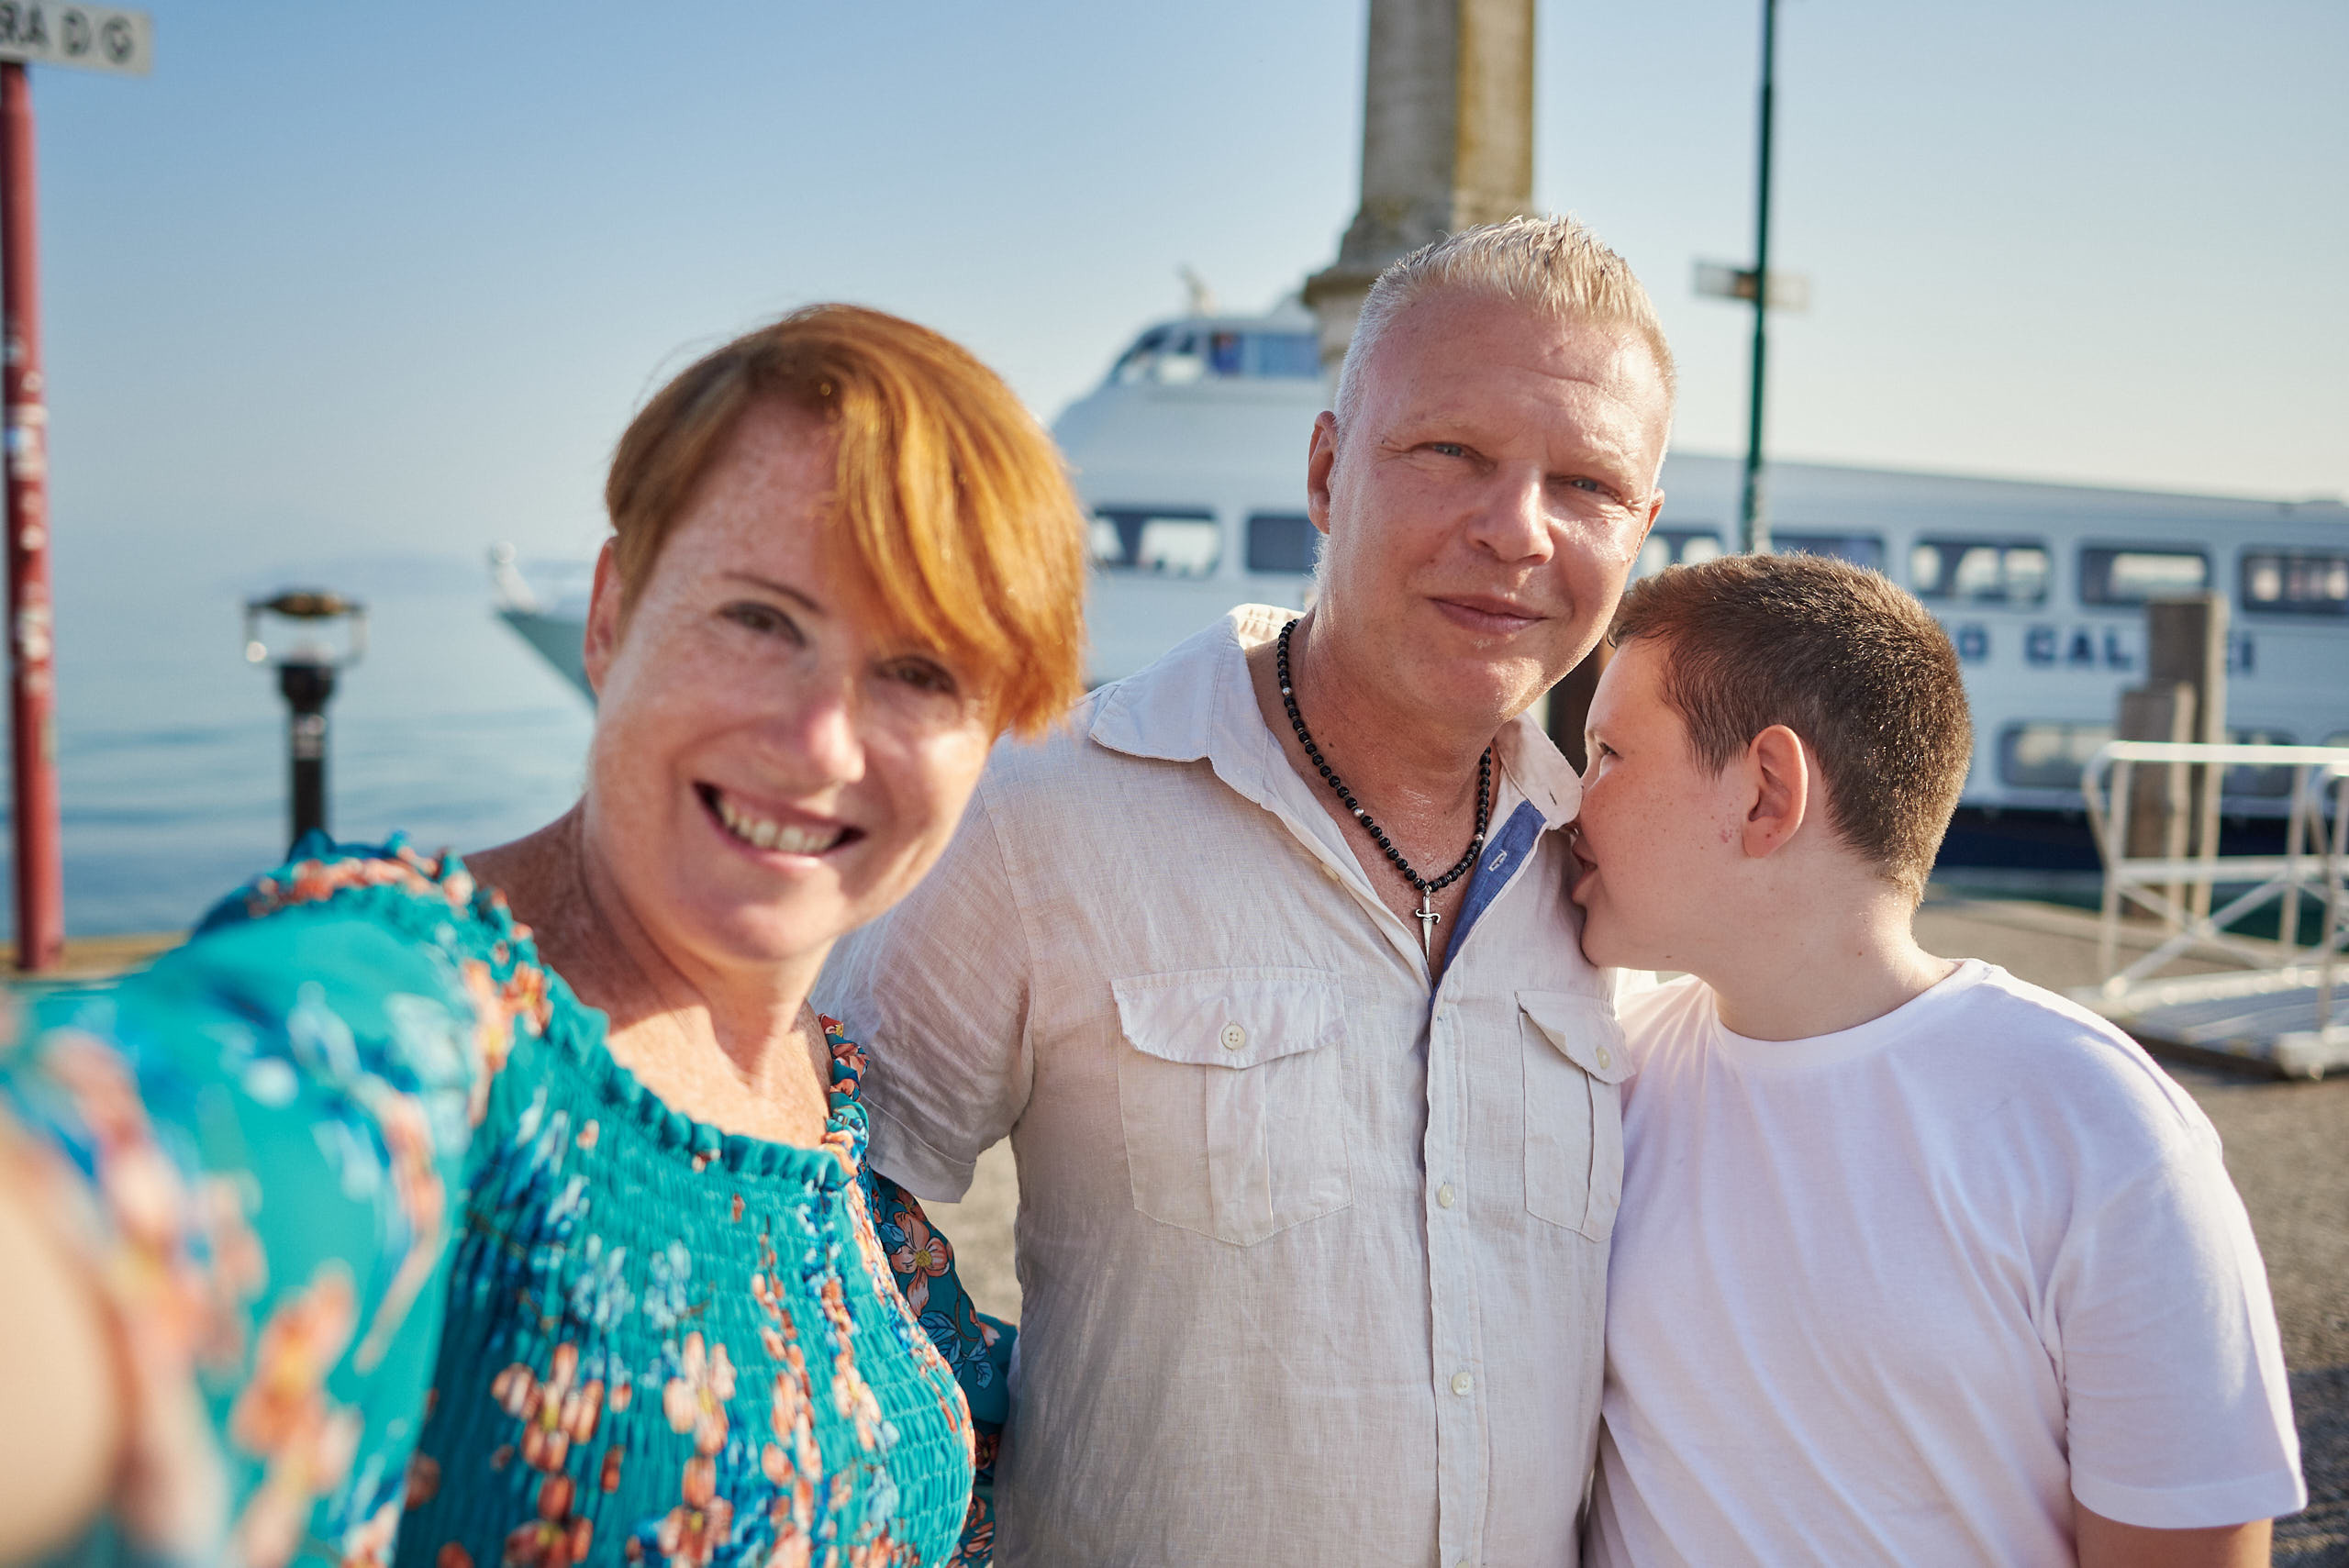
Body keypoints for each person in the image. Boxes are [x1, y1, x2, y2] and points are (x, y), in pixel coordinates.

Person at [0, 304, 1088, 1568]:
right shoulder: (438, 1014)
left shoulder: (825, 1098)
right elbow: (151, 1187)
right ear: (613, 613)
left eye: (919, 672)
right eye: (760, 620)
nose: (820, 745)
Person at [817, 217, 1674, 1564]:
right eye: (1449, 452)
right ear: (1329, 472)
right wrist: (959, 1483)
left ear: (1640, 531)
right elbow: (829, 1203)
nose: (1516, 530)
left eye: (1586, 485)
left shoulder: (1628, 885)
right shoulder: (1048, 812)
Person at [1574, 552, 2305, 1566]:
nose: (1569, 805)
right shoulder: (1606, 1079)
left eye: (1607, 752)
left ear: (1764, 793)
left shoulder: (2100, 1128)